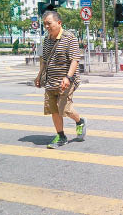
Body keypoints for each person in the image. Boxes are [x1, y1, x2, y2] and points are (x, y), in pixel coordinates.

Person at [34, 11, 87, 149]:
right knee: (54, 109)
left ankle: (80, 121)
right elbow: (44, 60)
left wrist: (68, 77)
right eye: (45, 24)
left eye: (49, 23)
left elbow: (75, 59)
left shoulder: (69, 38)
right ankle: (61, 136)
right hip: (51, 80)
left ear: (59, 23)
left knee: (64, 108)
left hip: (67, 80)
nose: (46, 26)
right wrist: (39, 75)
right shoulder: (46, 40)